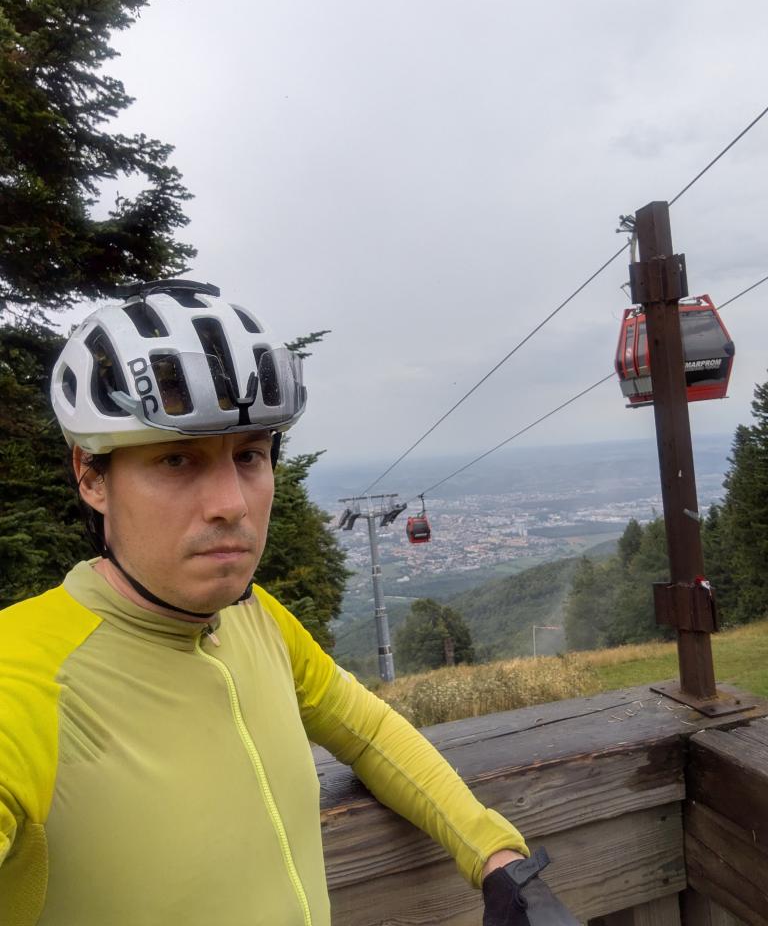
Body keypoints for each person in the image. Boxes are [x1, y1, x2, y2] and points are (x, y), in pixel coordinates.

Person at [0, 280, 578, 925]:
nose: (231, 503)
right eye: (176, 461)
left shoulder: (257, 619)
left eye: (249, 456)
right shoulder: (20, 675)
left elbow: (369, 732)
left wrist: (498, 860)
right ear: (91, 476)